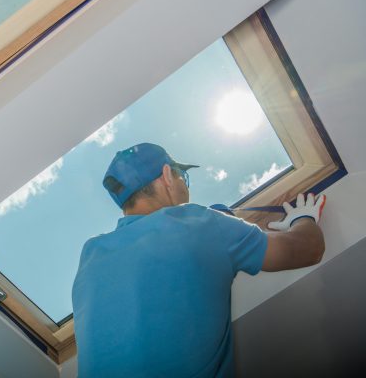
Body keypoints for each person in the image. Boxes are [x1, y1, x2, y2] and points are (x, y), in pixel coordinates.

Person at [71, 143, 326, 377]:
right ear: (168, 177)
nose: (186, 185)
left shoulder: (90, 254)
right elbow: (307, 249)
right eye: (183, 176)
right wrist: (302, 219)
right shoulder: (198, 223)